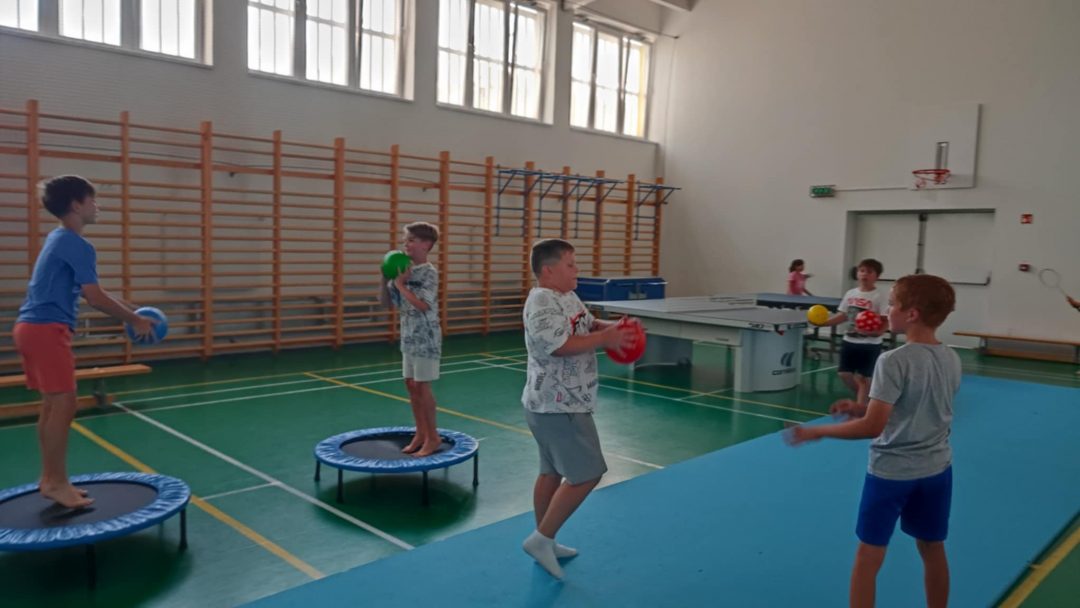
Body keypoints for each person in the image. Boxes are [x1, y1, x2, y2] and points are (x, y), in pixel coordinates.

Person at [786, 274, 960, 608]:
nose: (887, 311)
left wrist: (817, 431)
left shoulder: (893, 360)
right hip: (937, 471)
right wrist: (860, 407)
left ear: (912, 314)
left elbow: (872, 428)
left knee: (868, 557)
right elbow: (916, 408)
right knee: (932, 548)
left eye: (892, 304)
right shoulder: (950, 357)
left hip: (892, 474)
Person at [14, 175, 154, 508]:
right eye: (93, 200)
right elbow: (95, 297)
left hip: (31, 328)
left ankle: (50, 479)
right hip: (46, 330)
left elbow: (92, 291)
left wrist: (132, 309)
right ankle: (56, 482)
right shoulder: (77, 244)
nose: (97, 206)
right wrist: (134, 320)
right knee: (64, 404)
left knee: (53, 404)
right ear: (77, 205)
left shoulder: (59, 238)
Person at [519, 238, 638, 579]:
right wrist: (605, 340)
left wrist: (613, 328)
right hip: (559, 404)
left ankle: (546, 538)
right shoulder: (542, 300)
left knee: (551, 473)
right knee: (588, 473)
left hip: (553, 404)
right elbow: (559, 345)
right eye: (570, 264)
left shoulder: (567, 296)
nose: (577, 270)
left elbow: (585, 325)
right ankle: (541, 539)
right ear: (548, 270)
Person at [379, 222, 443, 457]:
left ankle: (433, 437)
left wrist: (400, 284)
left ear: (426, 245)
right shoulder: (404, 270)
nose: (406, 244)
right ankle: (421, 433)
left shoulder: (429, 272)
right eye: (405, 240)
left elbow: (424, 305)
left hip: (426, 337)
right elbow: (386, 303)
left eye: (411, 240)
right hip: (408, 336)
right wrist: (385, 278)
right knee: (411, 385)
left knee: (423, 386)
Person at [822, 259, 889, 405]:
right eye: (862, 271)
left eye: (869, 272)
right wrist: (824, 323)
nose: (864, 274)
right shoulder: (850, 293)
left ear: (877, 276)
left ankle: (862, 406)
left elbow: (885, 319)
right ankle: (867, 399)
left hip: (870, 344)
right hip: (849, 341)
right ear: (857, 273)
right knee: (844, 374)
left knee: (864, 378)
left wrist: (877, 333)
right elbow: (843, 315)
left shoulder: (879, 296)